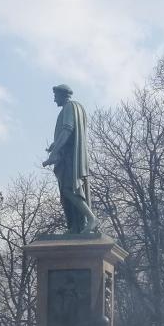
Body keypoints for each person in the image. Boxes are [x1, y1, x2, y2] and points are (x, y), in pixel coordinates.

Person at [43, 84, 100, 235]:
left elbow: (67, 129)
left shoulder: (69, 107)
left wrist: (54, 153)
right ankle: (76, 227)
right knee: (69, 191)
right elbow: (70, 134)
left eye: (56, 97)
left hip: (70, 159)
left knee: (69, 190)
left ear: (63, 95)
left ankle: (91, 218)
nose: (55, 100)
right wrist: (55, 145)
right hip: (70, 156)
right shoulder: (77, 107)